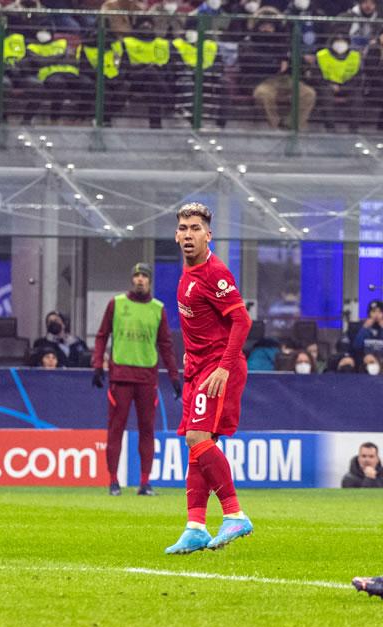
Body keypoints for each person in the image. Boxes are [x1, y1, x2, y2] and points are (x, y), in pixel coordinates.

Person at [165, 202, 254, 555]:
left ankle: (234, 514)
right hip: (198, 367)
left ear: (208, 235)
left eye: (196, 228)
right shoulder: (188, 271)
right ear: (176, 235)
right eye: (184, 228)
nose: (189, 234)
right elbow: (201, 321)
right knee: (195, 444)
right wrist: (193, 352)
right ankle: (195, 525)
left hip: (218, 370)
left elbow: (241, 321)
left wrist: (222, 366)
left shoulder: (214, 273)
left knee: (199, 438)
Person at [92, 262, 181, 497]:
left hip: (146, 378)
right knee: (115, 430)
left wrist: (174, 376)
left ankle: (144, 483)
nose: (140, 279)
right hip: (120, 376)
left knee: (147, 431)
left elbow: (165, 345)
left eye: (144, 276)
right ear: (132, 279)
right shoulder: (117, 304)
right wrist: (97, 364)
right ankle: (113, 481)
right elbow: (102, 335)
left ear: (150, 281)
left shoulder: (157, 308)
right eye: (137, 275)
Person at [243, 8, 315, 130]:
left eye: (270, 26)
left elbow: (294, 59)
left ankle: (290, 125)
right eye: (263, 26)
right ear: (257, 27)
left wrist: (293, 60)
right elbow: (250, 60)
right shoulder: (248, 43)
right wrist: (276, 63)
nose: (267, 29)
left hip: (286, 79)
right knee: (263, 94)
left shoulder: (284, 42)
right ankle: (274, 127)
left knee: (308, 93)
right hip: (263, 80)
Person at [313, 31, 365, 131]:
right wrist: (330, 85)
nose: (340, 44)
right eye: (337, 41)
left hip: (349, 86)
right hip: (328, 86)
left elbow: (357, 77)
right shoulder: (322, 55)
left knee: (357, 97)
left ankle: (354, 128)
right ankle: (330, 127)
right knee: (325, 95)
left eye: (343, 41)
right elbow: (317, 76)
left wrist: (344, 87)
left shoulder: (355, 56)